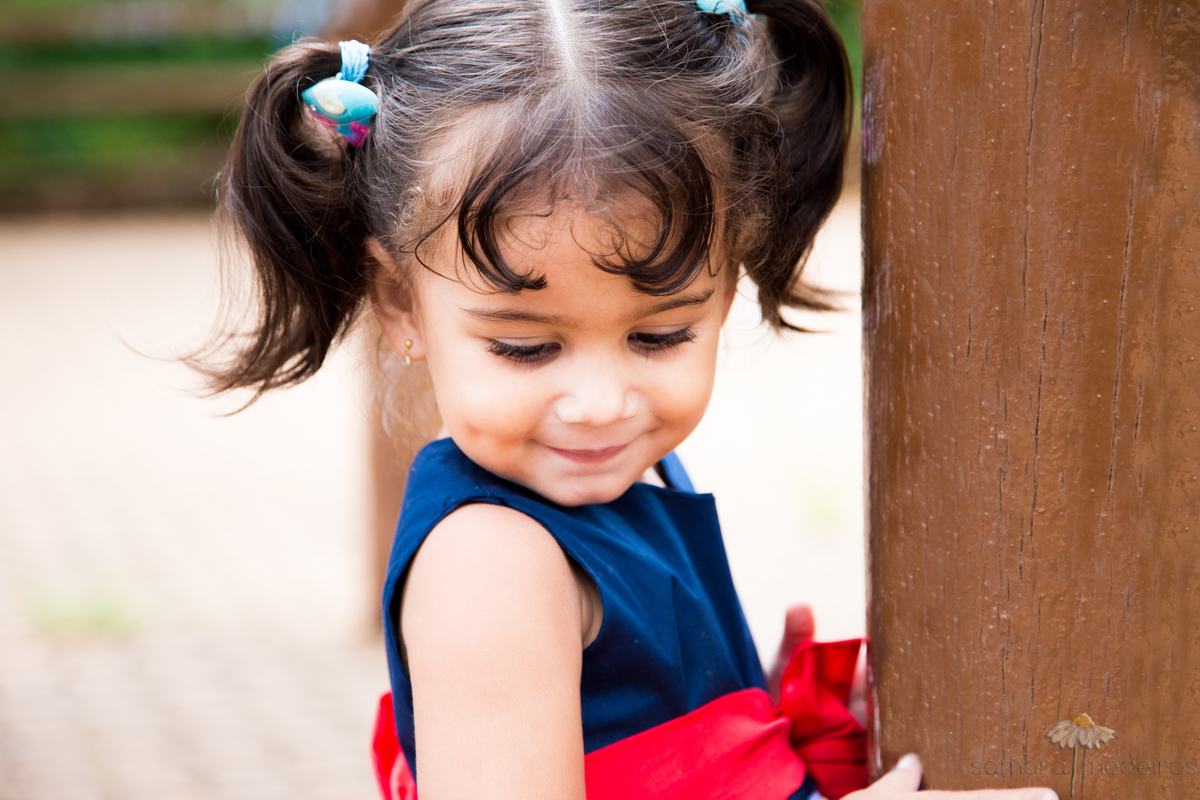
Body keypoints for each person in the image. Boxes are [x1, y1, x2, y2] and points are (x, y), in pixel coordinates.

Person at [202, 1, 1063, 799]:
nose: (601, 402)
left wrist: (742, 716)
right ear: (399, 305)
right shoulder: (491, 564)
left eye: (659, 336)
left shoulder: (620, 488)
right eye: (526, 346)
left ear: (726, 287)